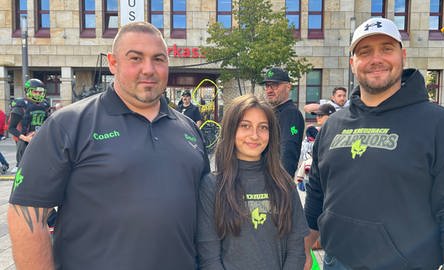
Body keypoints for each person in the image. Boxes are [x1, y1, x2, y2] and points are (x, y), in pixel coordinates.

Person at [8, 21, 210, 270]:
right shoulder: (68, 124)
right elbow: (25, 215)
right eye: (135, 58)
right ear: (113, 63)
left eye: (158, 59)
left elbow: (205, 215)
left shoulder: (189, 129)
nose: (148, 69)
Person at [304, 17, 444, 270]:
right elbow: (317, 194)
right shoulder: (333, 125)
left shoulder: (439, 124)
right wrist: (305, 248)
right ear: (353, 63)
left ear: (402, 55)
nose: (376, 59)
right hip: (337, 261)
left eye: (387, 49)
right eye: (365, 52)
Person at [197, 94, 309, 269]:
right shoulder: (212, 185)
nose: (255, 135)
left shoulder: (284, 183)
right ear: (230, 129)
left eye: (263, 127)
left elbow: (296, 248)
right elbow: (209, 255)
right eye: (245, 126)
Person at [263, 67, 305, 177]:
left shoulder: (290, 113)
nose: (269, 90)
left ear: (288, 87)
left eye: (275, 85)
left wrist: (282, 184)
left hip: (276, 182)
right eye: (267, 86)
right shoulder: (275, 112)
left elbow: (288, 150)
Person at [8, 78, 50, 171]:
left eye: (40, 92)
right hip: (24, 141)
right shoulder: (21, 105)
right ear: (28, 91)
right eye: (35, 92)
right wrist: (26, 138)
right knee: (24, 168)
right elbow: (11, 128)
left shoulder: (44, 105)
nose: (38, 94)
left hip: (40, 139)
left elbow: (47, 123)